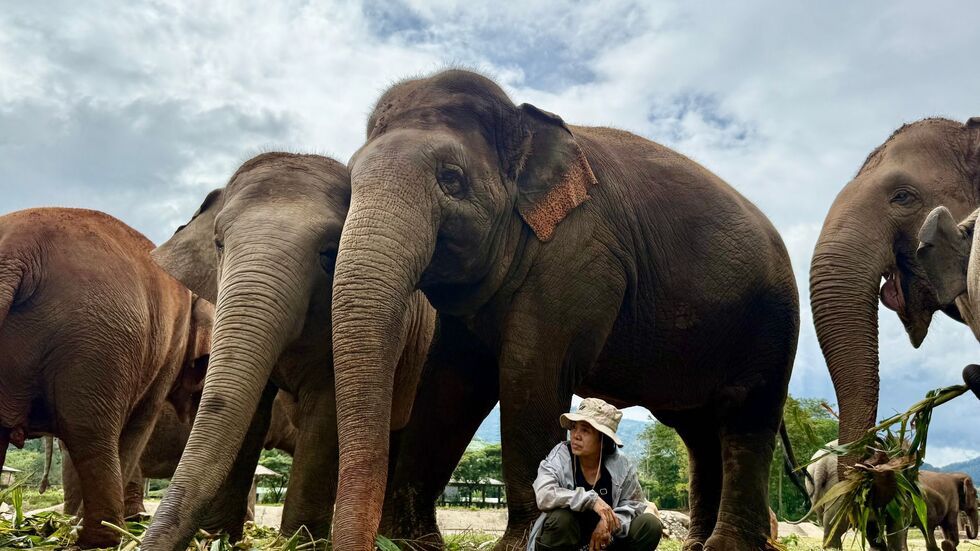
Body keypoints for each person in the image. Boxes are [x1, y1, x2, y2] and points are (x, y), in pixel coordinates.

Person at [528, 398, 663, 551]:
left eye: (585, 430)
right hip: (568, 540)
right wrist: (591, 500)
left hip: (607, 543)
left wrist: (609, 523)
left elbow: (634, 505)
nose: (575, 435)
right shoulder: (560, 456)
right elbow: (544, 494)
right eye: (573, 427)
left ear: (603, 440)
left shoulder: (622, 465)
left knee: (649, 524)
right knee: (561, 519)